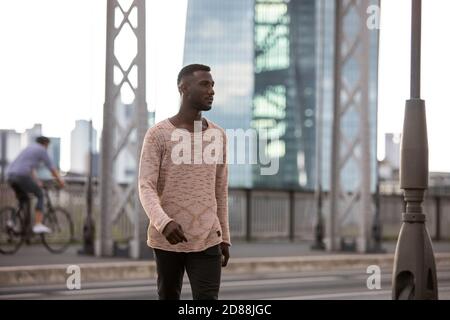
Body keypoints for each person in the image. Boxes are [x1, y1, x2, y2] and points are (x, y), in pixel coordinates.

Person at [138, 64, 231, 300]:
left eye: (212, 85)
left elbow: (220, 190)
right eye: (204, 84)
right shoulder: (158, 134)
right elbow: (145, 185)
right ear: (183, 88)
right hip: (168, 237)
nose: (211, 90)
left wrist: (225, 237)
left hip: (208, 236)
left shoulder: (218, 135)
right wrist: (163, 222)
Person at [6, 136, 65, 234]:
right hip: (21, 176)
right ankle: (38, 224)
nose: (47, 148)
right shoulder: (42, 150)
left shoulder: (29, 148)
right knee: (40, 194)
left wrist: (37, 181)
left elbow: (30, 168)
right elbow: (52, 168)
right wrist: (60, 181)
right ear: (45, 144)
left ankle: (12, 221)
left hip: (10, 176)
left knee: (23, 199)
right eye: (48, 145)